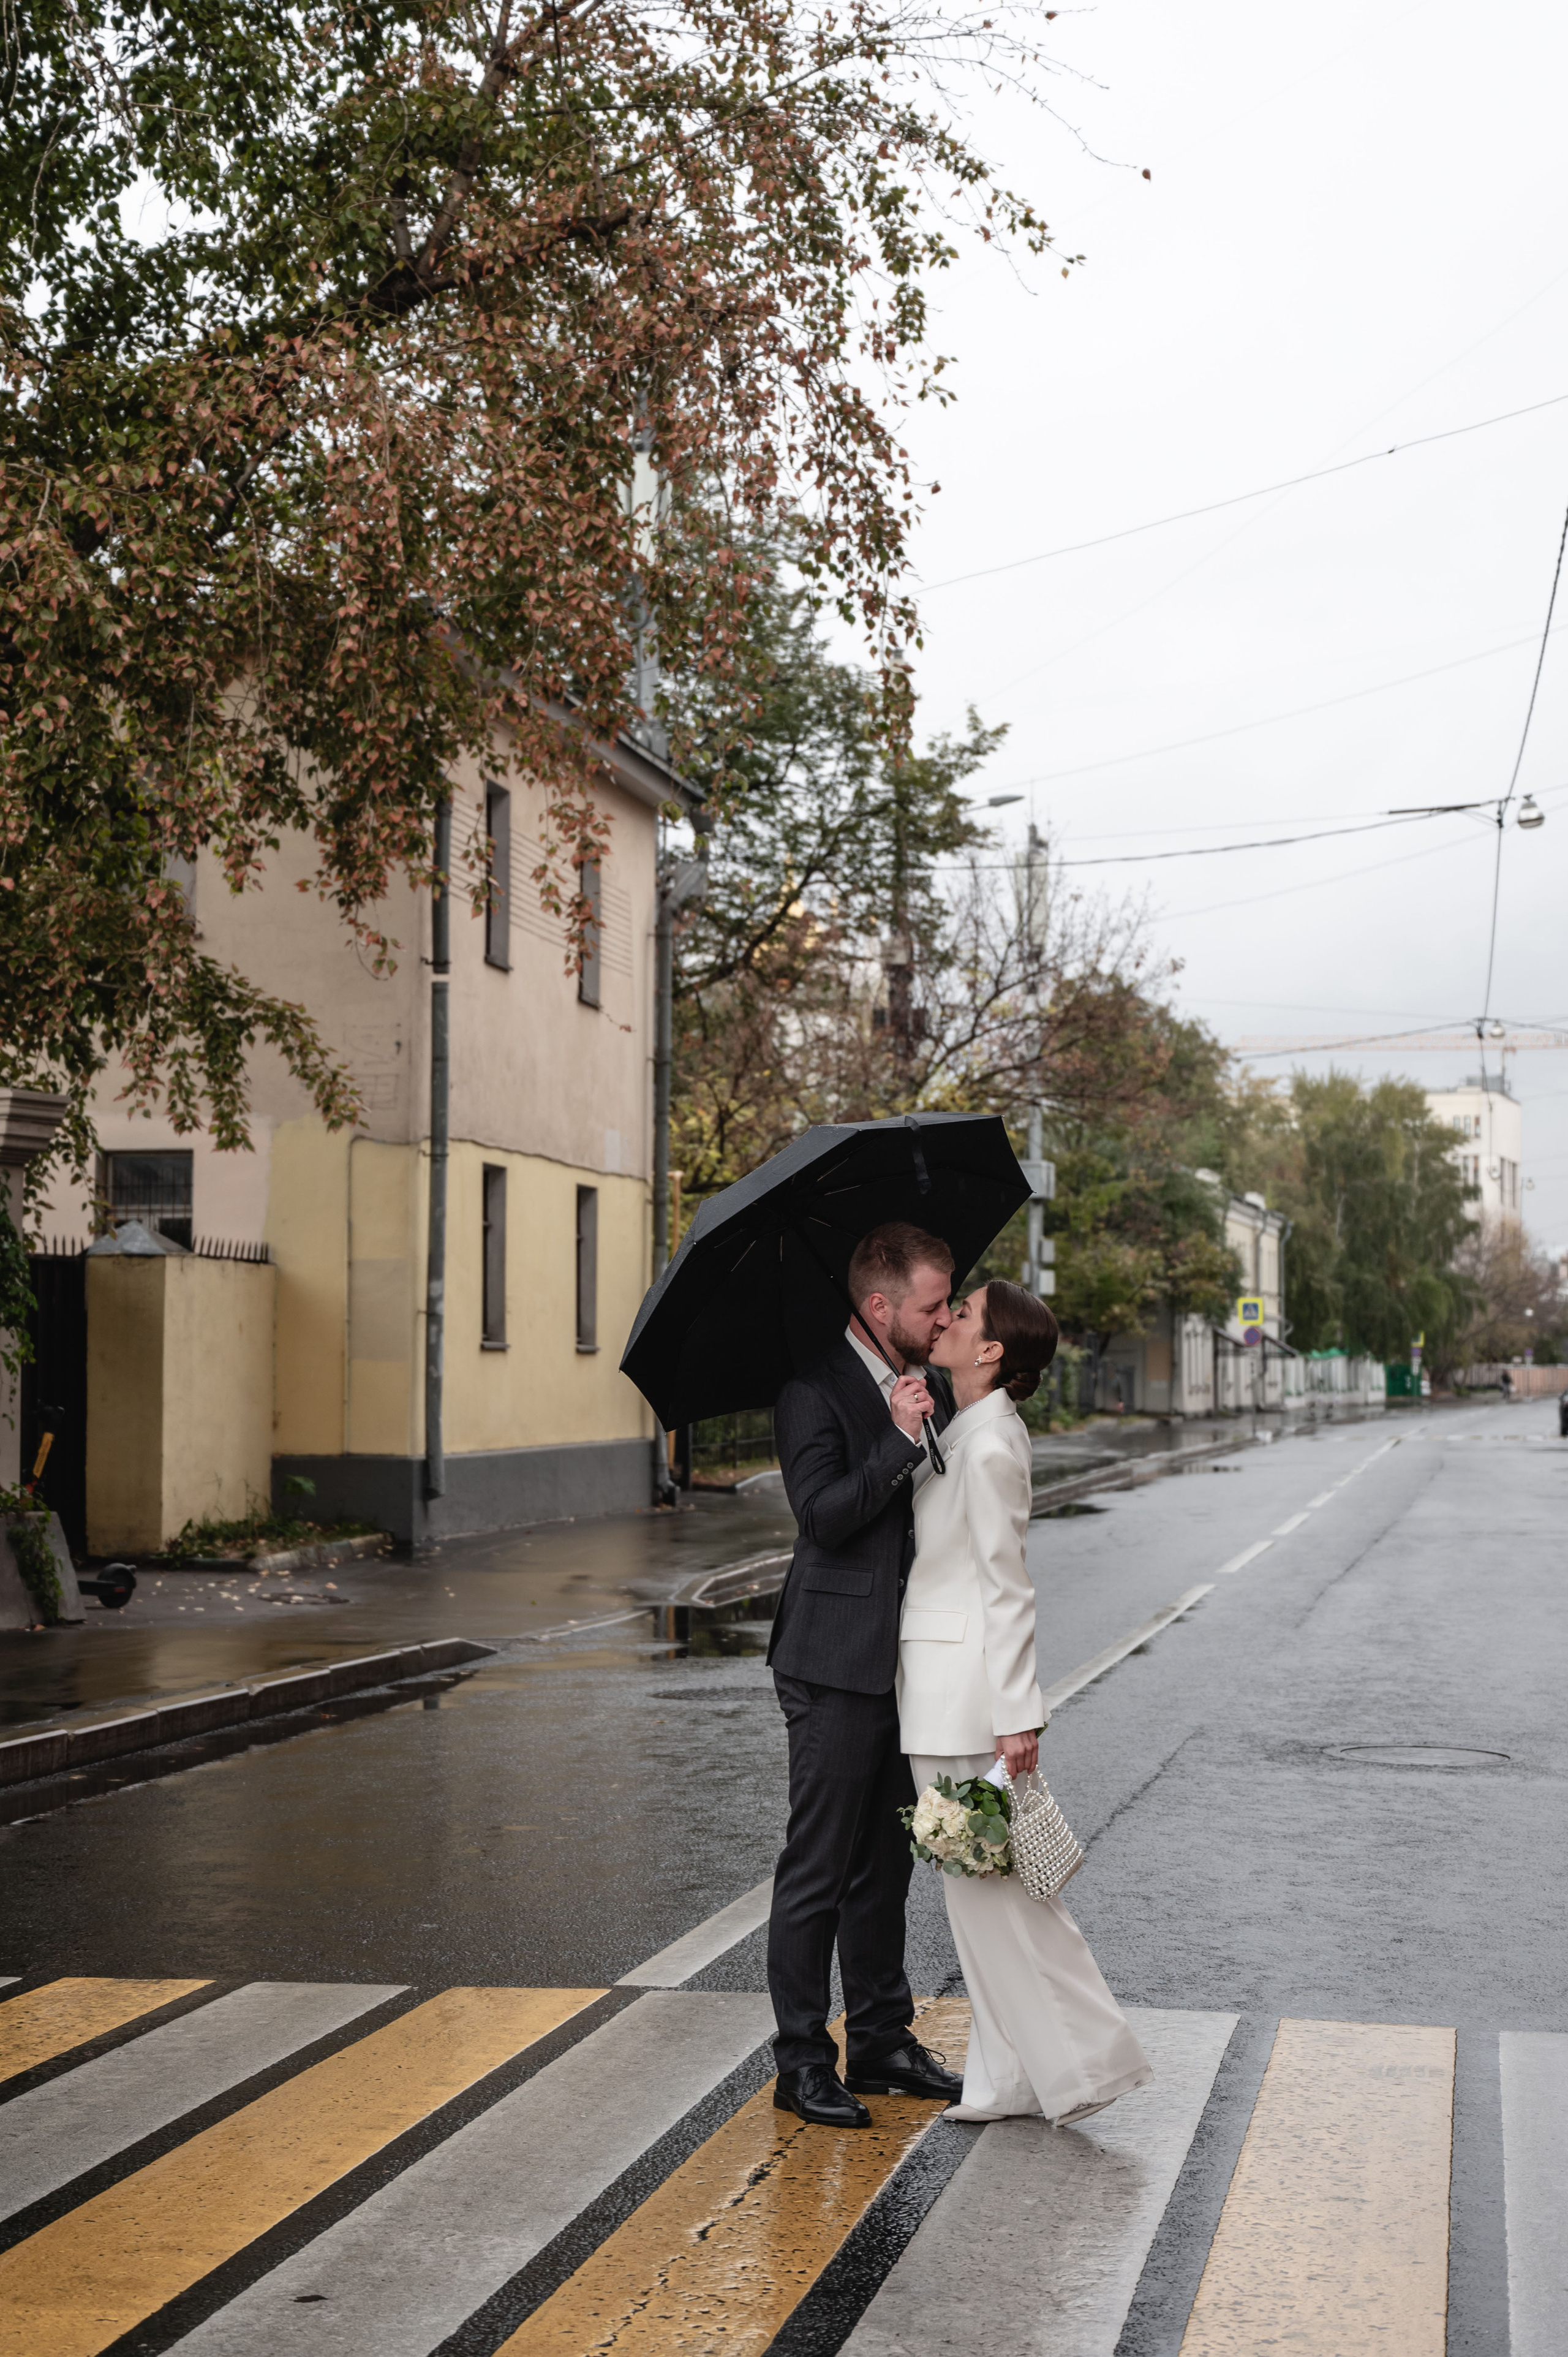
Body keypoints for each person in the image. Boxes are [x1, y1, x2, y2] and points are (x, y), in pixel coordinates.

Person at [899, 1279, 1153, 2124]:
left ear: (992, 1350)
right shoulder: (966, 1430)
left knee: (1000, 1898)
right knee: (977, 1901)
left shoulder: (993, 1446)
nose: (946, 1321)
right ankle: (1003, 2078)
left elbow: (1007, 1589)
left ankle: (1090, 2064)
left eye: (961, 1315)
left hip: (965, 1702)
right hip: (943, 1694)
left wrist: (1016, 1714)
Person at [766, 1221, 966, 2127]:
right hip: (835, 1664)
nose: (945, 1317)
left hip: (907, 1667)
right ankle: (802, 2060)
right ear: (880, 1308)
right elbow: (824, 1517)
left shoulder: (933, 1390)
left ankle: (881, 2040)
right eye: (932, 1305)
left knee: (885, 1869)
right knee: (820, 1867)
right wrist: (892, 1440)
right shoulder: (813, 1392)